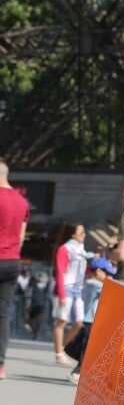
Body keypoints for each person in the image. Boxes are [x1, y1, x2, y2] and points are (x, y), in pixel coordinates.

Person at [0, 157, 30, 380]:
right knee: (3, 314)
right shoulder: (22, 202)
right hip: (12, 261)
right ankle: (0, 365)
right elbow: (20, 238)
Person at [67, 256, 117, 384]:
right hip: (90, 321)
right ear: (98, 271)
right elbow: (108, 288)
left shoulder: (92, 283)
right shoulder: (93, 284)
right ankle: (79, 372)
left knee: (87, 348)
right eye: (106, 273)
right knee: (87, 349)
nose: (108, 276)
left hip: (91, 320)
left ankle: (78, 371)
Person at [52, 223, 94, 365]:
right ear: (73, 234)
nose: (84, 235)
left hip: (77, 290)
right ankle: (58, 353)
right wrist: (62, 294)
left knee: (79, 323)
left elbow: (84, 270)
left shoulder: (81, 252)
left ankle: (62, 346)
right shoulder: (64, 249)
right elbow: (60, 271)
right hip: (66, 288)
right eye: (81, 233)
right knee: (61, 321)